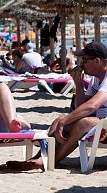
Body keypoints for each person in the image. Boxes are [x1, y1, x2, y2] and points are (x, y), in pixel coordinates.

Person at [7, 42, 107, 171]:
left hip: (104, 125)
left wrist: (66, 121)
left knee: (84, 123)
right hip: (102, 123)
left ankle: (49, 161)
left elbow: (92, 106)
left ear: (97, 61)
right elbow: (81, 107)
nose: (81, 64)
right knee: (59, 120)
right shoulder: (95, 79)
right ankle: (39, 158)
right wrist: (79, 84)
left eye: (85, 60)